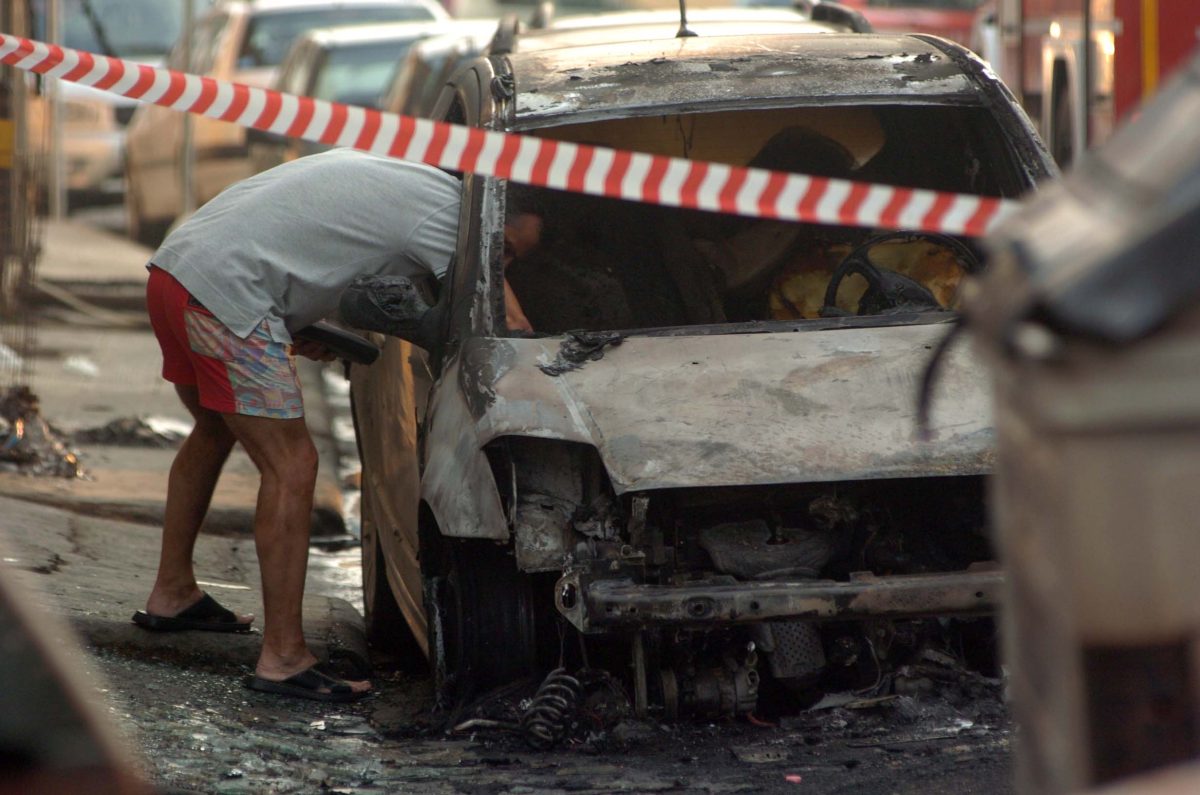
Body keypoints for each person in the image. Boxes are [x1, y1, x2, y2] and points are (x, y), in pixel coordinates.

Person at [133, 148, 530, 703]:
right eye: (507, 251)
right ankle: (284, 658)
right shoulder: (453, 215)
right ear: (501, 213)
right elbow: (505, 325)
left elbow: (317, 251)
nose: (502, 263)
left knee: (215, 428)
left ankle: (172, 592)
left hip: (177, 274)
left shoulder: (411, 183)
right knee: (292, 464)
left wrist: (304, 323)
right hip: (226, 295)